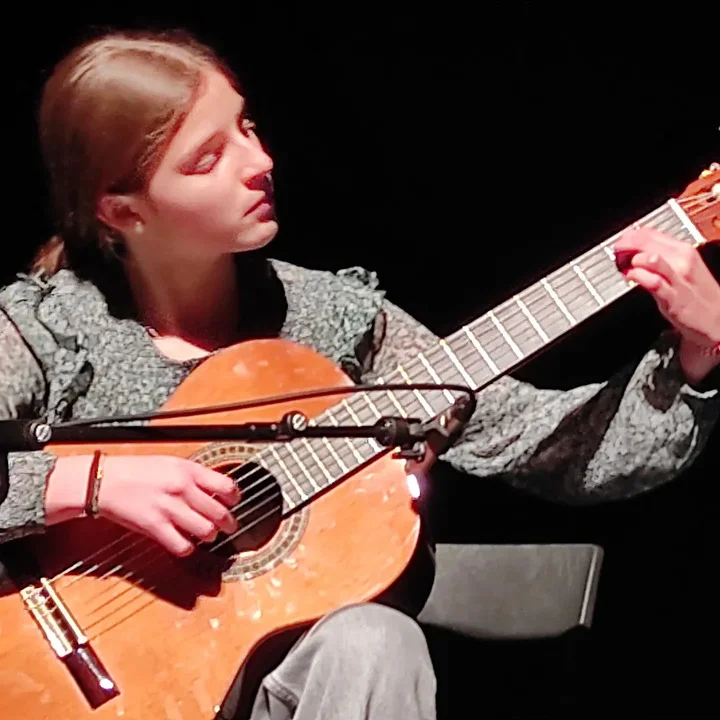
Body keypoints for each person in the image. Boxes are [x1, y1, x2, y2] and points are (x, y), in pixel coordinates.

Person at [0, 29, 718, 720]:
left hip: (288, 689)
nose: (259, 161)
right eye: (207, 159)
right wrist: (89, 485)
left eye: (247, 128)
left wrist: (697, 353)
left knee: (374, 641)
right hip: (70, 678)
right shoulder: (47, 330)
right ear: (123, 211)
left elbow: (559, 448)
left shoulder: (334, 321)